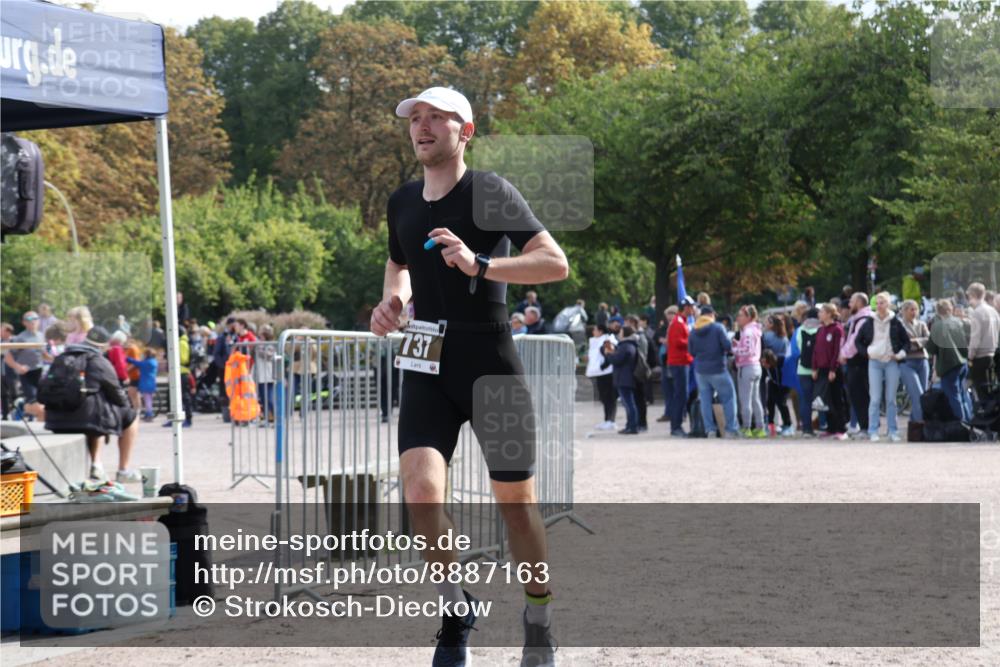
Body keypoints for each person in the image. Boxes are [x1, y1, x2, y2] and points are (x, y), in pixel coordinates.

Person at [371, 85, 568, 666]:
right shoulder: (403, 201)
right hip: (427, 365)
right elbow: (399, 262)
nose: (423, 126)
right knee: (421, 493)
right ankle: (456, 609)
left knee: (517, 506)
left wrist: (481, 263)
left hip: (491, 365)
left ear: (467, 131)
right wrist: (392, 302)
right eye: (416, 118)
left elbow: (554, 262)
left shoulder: (490, 192)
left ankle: (538, 616)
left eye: (438, 118)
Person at [44, 326, 141, 482]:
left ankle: (98, 465)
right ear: (103, 344)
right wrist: (126, 404)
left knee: (95, 413)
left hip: (55, 419)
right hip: (87, 420)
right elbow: (116, 393)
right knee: (128, 416)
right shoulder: (99, 360)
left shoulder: (61, 357)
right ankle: (122, 470)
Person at [855, 292, 910, 442]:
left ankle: (892, 430)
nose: (880, 306)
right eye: (878, 303)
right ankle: (873, 430)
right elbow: (858, 341)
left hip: (891, 362)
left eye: (883, 303)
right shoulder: (869, 322)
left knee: (891, 399)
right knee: (875, 398)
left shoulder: (895, 322)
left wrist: (899, 355)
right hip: (874, 363)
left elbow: (906, 342)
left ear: (888, 305)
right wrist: (866, 352)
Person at [688, 305, 739, 437]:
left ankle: (709, 430)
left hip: (700, 371)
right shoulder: (718, 328)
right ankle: (730, 430)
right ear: (711, 315)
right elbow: (727, 346)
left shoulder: (693, 330)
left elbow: (691, 352)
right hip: (718, 369)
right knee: (728, 397)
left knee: (705, 400)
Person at [925, 299, 972, 422]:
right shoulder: (959, 322)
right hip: (963, 363)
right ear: (950, 309)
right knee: (961, 394)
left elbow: (931, 348)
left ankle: (961, 424)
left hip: (948, 365)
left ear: (938, 311)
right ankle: (969, 421)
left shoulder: (938, 326)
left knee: (953, 395)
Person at [811, 303, 848, 440]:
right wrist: (814, 367)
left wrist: (833, 369)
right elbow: (816, 350)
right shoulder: (820, 330)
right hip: (821, 369)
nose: (819, 314)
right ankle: (830, 428)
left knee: (836, 399)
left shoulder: (837, 329)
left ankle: (841, 429)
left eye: (821, 312)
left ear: (829, 313)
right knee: (825, 399)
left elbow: (837, 351)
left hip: (833, 370)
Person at [839, 293, 873, 436]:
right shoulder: (859, 318)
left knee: (860, 395)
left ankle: (865, 427)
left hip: (858, 361)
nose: (849, 305)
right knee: (859, 395)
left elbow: (854, 340)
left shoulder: (863, 319)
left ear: (859, 302)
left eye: (852, 302)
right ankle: (865, 426)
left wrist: (843, 354)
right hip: (859, 361)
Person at [733, 305, 766, 438]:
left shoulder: (747, 332)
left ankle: (746, 427)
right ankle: (760, 427)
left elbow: (747, 351)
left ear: (748, 317)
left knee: (745, 400)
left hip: (747, 367)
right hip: (756, 366)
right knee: (755, 399)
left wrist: (734, 350)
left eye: (741, 315)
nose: (738, 318)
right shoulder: (755, 330)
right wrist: (739, 345)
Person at [600, 325, 640, 435]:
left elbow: (617, 360)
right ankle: (630, 425)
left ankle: (632, 426)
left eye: (621, 332)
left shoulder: (626, 346)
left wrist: (608, 354)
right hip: (625, 377)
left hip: (624, 378)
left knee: (629, 403)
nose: (619, 334)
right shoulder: (630, 345)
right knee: (629, 403)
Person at [666, 298, 696, 437]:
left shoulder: (680, 322)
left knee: (681, 395)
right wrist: (692, 340)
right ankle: (676, 426)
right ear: (686, 308)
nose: (694, 309)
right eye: (692, 307)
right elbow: (678, 342)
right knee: (680, 395)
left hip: (681, 362)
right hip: (679, 363)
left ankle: (676, 425)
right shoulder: (678, 323)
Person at [898, 299, 930, 424]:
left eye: (916, 309)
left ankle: (914, 423)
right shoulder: (899, 325)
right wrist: (919, 342)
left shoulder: (921, 324)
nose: (914, 312)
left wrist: (915, 341)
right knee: (917, 394)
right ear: (904, 311)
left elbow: (929, 339)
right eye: (911, 309)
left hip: (922, 361)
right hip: (907, 362)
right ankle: (921, 424)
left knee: (924, 395)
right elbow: (902, 343)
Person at [4, 311, 45, 405]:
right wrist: (18, 367)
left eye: (35, 318)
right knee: (33, 399)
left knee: (41, 399)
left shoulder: (41, 335)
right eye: (29, 319)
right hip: (26, 373)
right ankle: (23, 407)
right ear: (24, 322)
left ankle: (27, 411)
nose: (33, 321)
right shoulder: (20, 338)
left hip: (39, 371)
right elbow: (7, 357)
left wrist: (54, 359)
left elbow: (42, 354)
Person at [966, 282, 1000, 398]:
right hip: (992, 354)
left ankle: (984, 414)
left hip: (980, 357)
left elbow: (975, 339)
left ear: (972, 295)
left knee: (981, 392)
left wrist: (970, 356)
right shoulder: (994, 312)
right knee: (990, 389)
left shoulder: (977, 313)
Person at [762, 315, 793, 436]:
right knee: (780, 401)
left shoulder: (767, 336)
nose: (764, 323)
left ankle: (773, 425)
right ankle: (786, 425)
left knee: (773, 401)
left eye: (766, 321)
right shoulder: (784, 338)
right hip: (783, 370)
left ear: (771, 324)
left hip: (774, 371)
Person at [794, 307, 822, 436]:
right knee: (821, 398)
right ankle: (824, 425)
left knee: (805, 400)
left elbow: (799, 347)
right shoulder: (821, 329)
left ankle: (806, 428)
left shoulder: (800, 329)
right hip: (818, 369)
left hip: (803, 369)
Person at [586, 324, 617, 430]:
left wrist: (602, 367)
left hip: (607, 374)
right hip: (601, 374)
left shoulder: (605, 342)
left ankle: (611, 420)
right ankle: (607, 420)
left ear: (600, 332)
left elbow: (610, 355)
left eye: (595, 330)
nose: (593, 332)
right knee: (605, 398)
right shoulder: (598, 342)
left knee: (609, 398)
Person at [162, 326, 193, 428]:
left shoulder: (181, 343)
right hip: (176, 372)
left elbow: (184, 359)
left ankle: (188, 419)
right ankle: (173, 418)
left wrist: (172, 356)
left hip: (181, 372)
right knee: (171, 396)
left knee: (184, 396)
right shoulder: (180, 342)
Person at [624, 315, 649, 431]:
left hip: (638, 371)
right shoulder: (636, 337)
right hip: (634, 371)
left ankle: (642, 423)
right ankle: (637, 422)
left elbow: (643, 355)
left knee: (639, 399)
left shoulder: (640, 337)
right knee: (636, 398)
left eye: (627, 323)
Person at [656, 306, 678, 424]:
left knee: (676, 389)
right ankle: (668, 413)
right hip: (665, 362)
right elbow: (656, 336)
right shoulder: (665, 327)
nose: (669, 316)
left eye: (672, 313)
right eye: (668, 314)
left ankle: (679, 413)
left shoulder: (679, 326)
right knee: (667, 389)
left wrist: (668, 341)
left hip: (674, 361)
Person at [127, 348, 159, 421]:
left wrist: (127, 358)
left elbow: (137, 363)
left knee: (147, 399)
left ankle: (149, 415)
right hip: (151, 382)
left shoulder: (147, 363)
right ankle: (148, 414)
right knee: (149, 399)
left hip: (146, 383)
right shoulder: (154, 361)